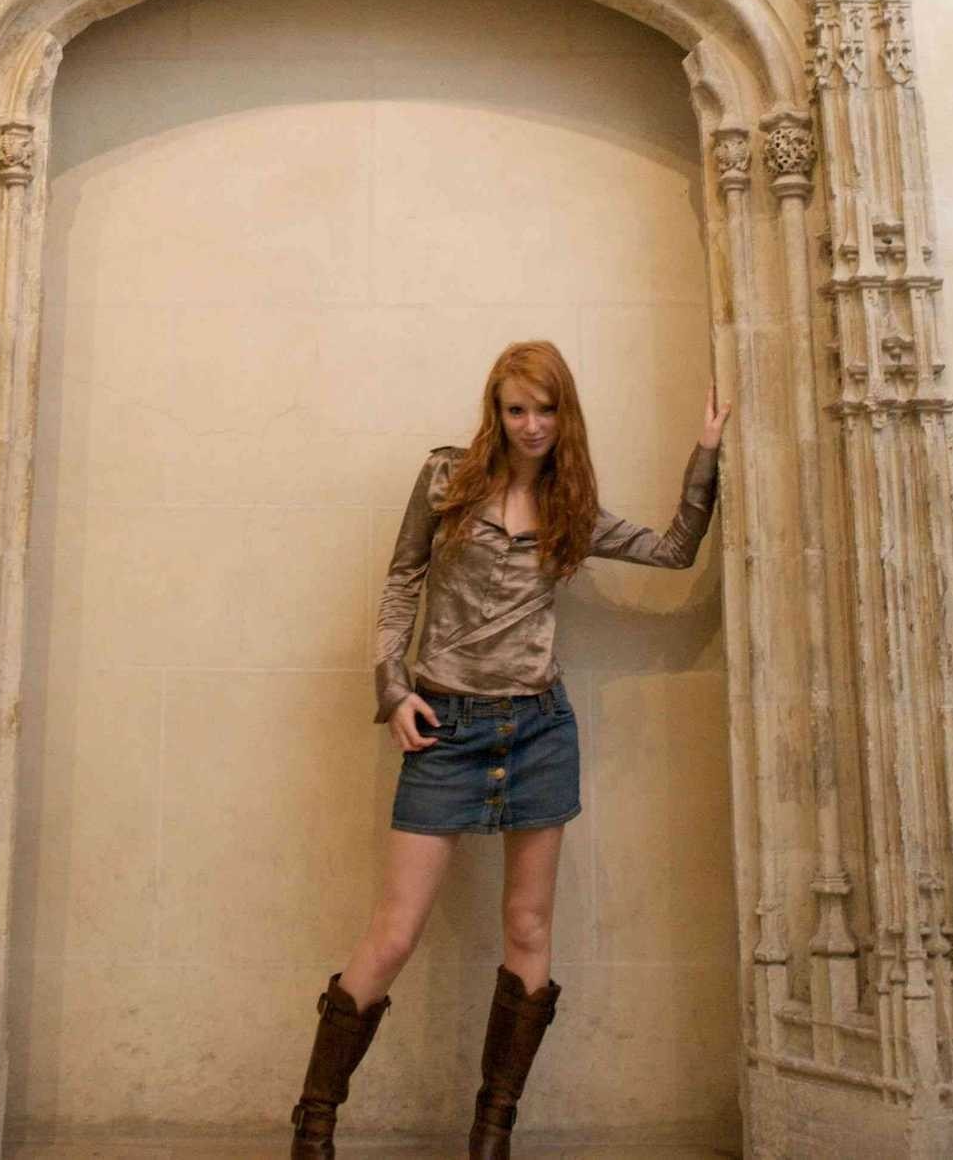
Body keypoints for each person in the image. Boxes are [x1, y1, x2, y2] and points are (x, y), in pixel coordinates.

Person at [288, 339, 728, 1160]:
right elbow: (401, 581)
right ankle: (314, 1125)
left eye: (545, 409)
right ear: (496, 410)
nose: (530, 425)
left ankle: (492, 1135)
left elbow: (674, 551)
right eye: (516, 408)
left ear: (566, 415)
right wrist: (393, 690)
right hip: (446, 728)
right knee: (394, 932)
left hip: (537, 730)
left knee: (527, 927)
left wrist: (704, 455)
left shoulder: (574, 509)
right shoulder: (445, 479)